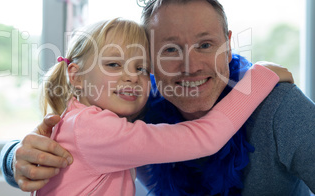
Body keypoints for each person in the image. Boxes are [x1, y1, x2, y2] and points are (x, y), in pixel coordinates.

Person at [0, 0, 315, 195]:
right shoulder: (136, 105)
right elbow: (67, 145)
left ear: (229, 45)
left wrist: (259, 78)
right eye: (170, 50)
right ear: (150, 58)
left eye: (205, 45)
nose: (190, 66)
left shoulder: (279, 107)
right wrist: (15, 157)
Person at [28, 17, 286, 196]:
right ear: (76, 76)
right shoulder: (94, 128)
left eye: (141, 68)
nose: (131, 76)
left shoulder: (77, 120)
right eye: (114, 64)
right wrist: (258, 78)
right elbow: (205, 138)